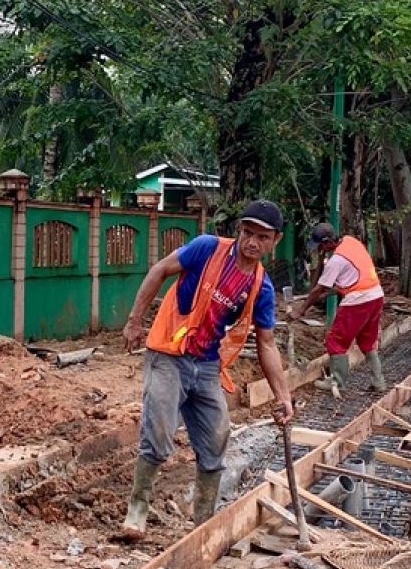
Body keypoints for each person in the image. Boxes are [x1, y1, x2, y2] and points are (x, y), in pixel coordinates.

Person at [119, 200, 294, 540]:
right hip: (168, 353)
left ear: (275, 240)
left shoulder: (262, 288)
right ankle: (136, 511)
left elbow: (267, 344)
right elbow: (159, 270)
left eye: (262, 236)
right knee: (158, 433)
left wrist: (283, 397)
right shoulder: (207, 249)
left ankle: (202, 523)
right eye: (247, 233)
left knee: (216, 439)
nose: (252, 242)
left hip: (207, 363)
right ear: (239, 231)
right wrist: (134, 321)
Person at [292, 223, 386, 394]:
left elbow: (319, 288)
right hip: (376, 296)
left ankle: (338, 383)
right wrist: (326, 295)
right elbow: (353, 278)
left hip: (359, 301)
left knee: (336, 341)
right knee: (367, 341)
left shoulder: (336, 260)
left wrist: (302, 309)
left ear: (327, 243)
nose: (319, 250)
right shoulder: (351, 242)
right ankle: (378, 382)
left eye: (320, 246)